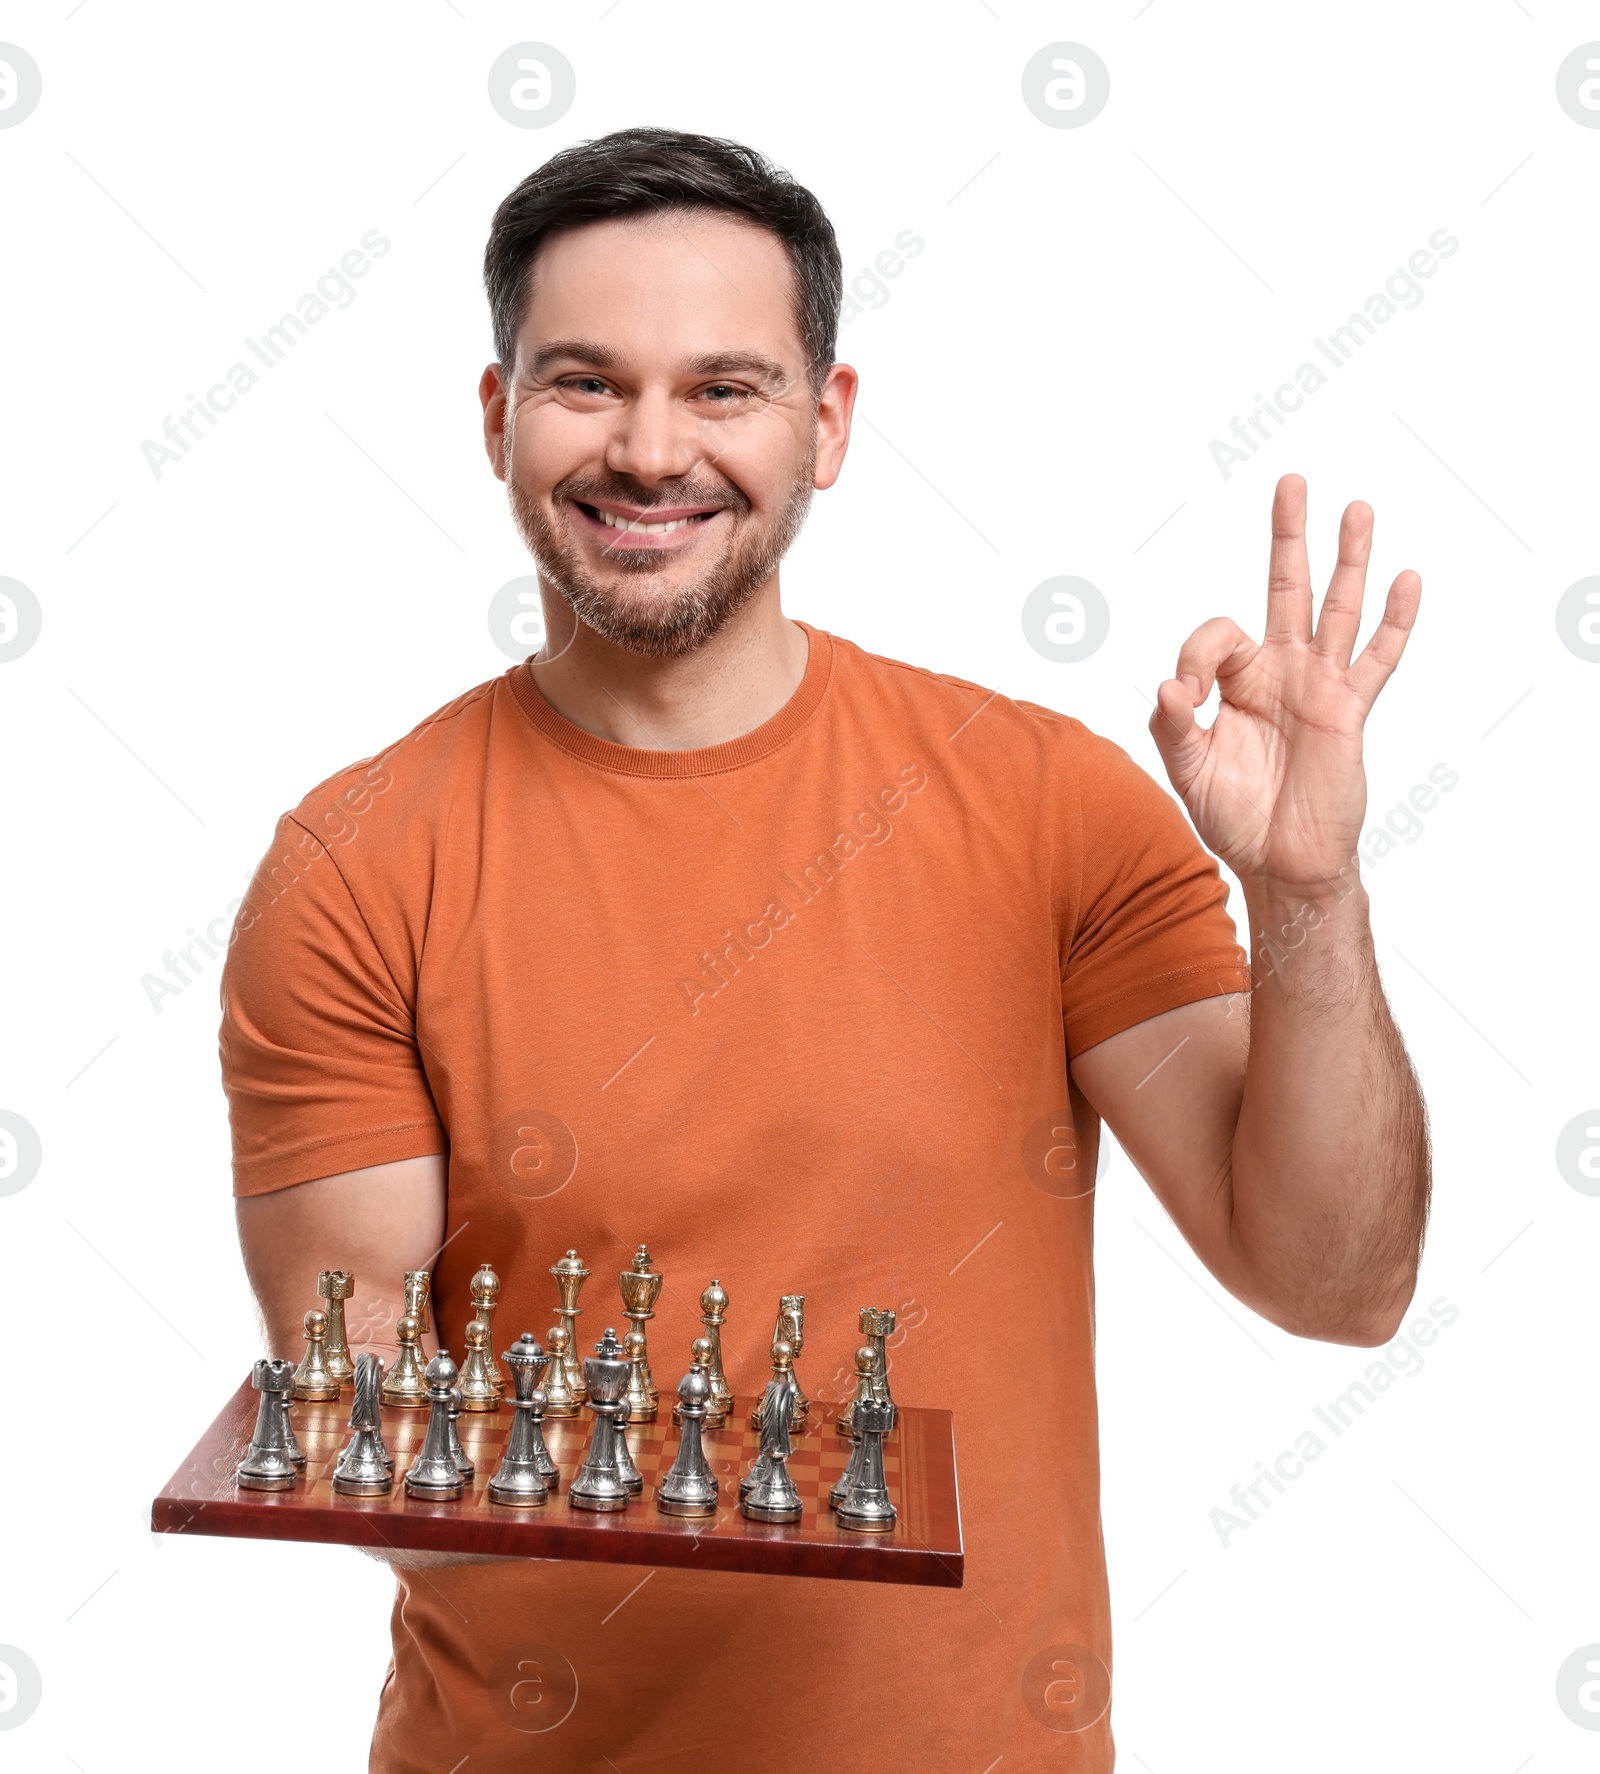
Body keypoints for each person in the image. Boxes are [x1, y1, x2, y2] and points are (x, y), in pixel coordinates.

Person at [224, 127, 1429, 1773]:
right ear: (500, 418)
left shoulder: (1048, 807)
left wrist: (1308, 893)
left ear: (829, 424)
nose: (652, 451)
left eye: (726, 387)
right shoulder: (357, 869)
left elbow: (1337, 1281)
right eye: (587, 383)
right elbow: (372, 1431)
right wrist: (775, 1477)